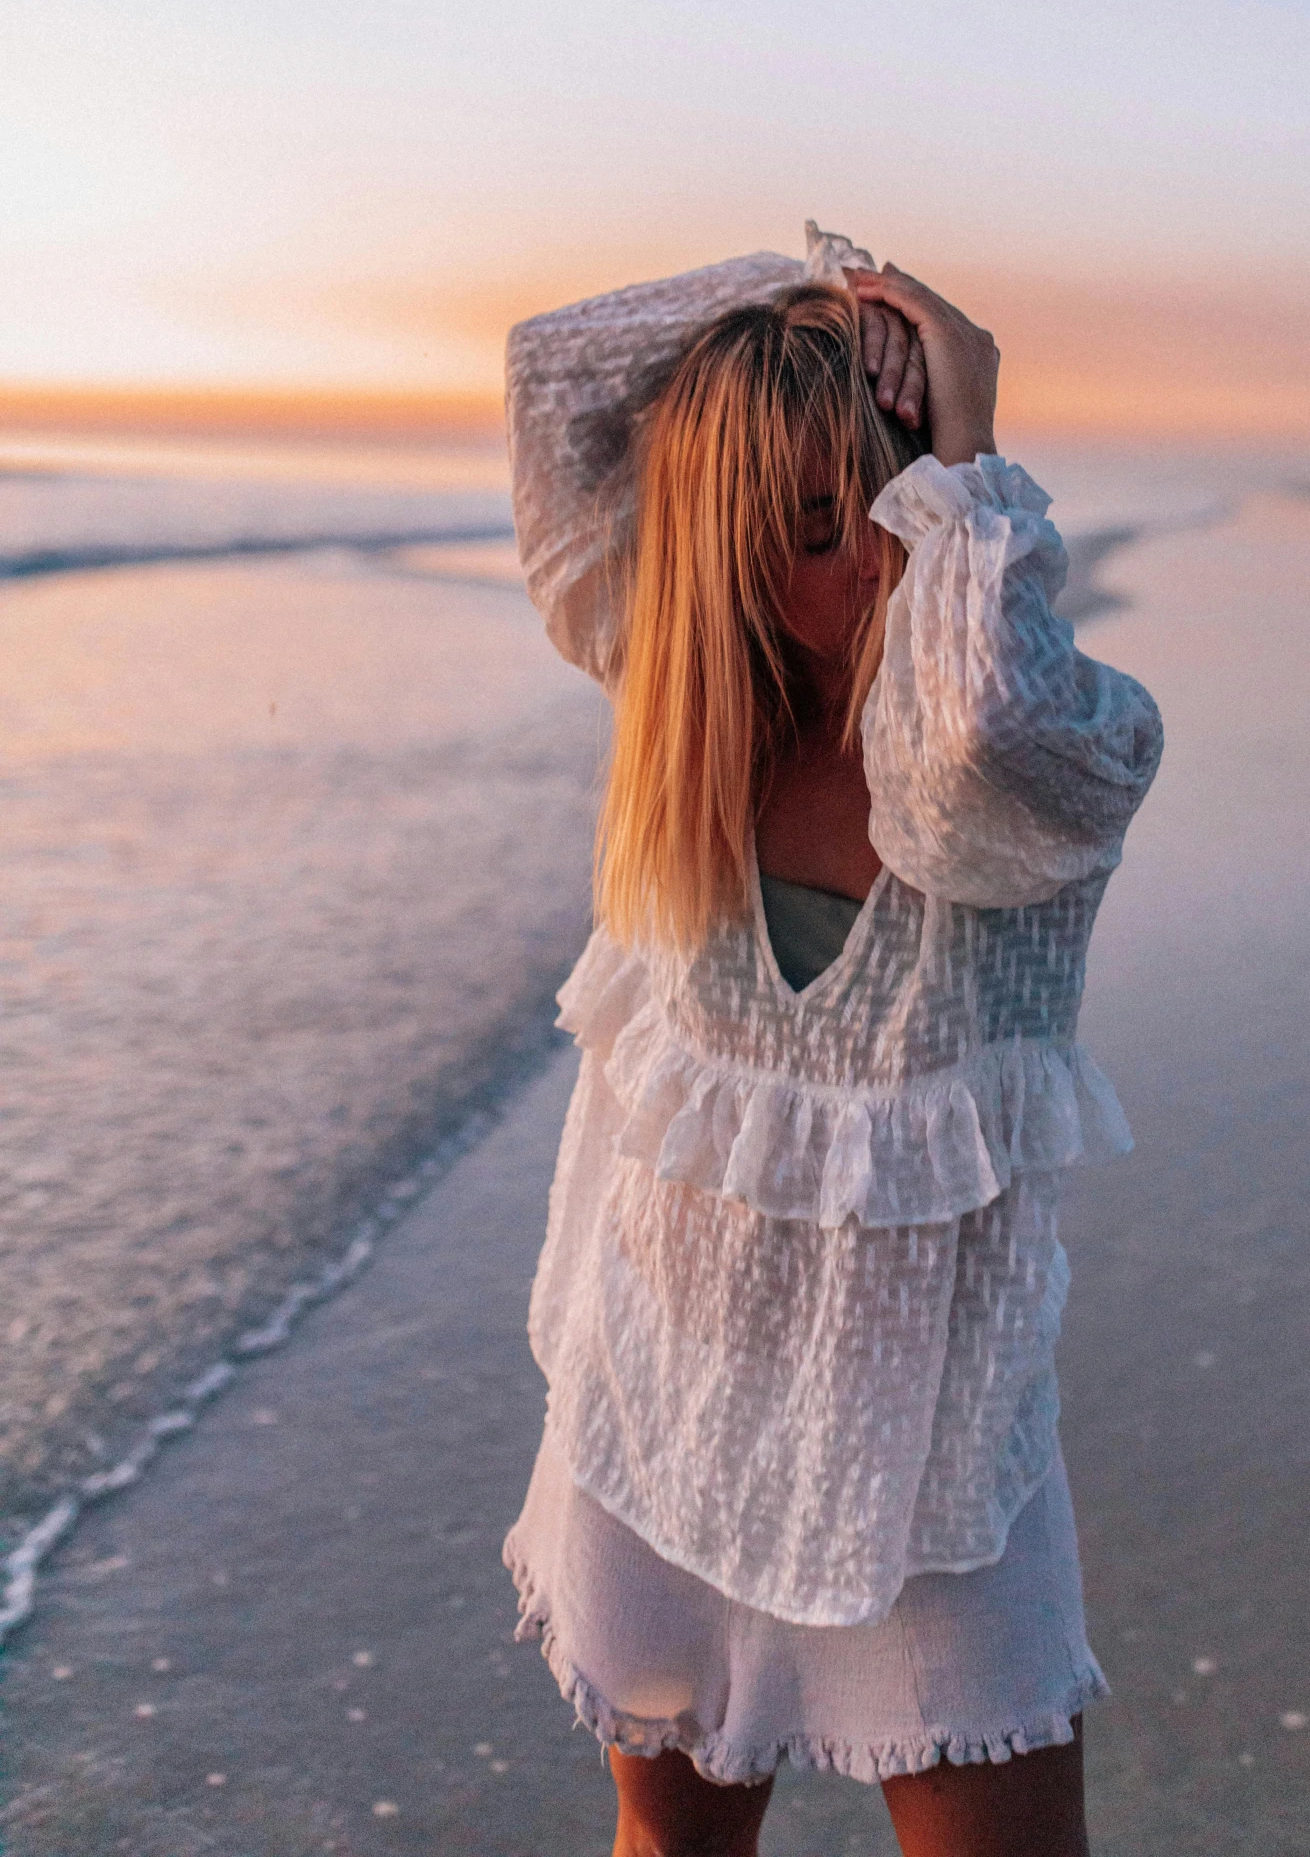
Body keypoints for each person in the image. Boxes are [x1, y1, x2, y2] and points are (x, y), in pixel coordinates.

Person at [500, 228, 1163, 1857]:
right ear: (719, 559)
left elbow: (988, 718)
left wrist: (961, 412)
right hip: (658, 1412)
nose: (870, 558)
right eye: (807, 531)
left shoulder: (1021, 767)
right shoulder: (684, 723)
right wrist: (802, 297)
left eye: (885, 502)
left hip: (930, 1478)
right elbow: (554, 375)